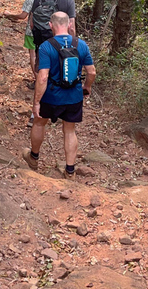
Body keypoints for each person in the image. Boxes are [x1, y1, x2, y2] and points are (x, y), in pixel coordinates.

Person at [22, 11, 96, 179]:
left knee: (39, 123)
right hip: (74, 96)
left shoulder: (47, 46)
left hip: (51, 96)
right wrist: (87, 87)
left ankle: (33, 159)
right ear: (69, 25)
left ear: (50, 26)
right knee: (70, 131)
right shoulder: (81, 44)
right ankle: (70, 171)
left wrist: (36, 102)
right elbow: (91, 72)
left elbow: (42, 77)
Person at [4, 0, 46, 91]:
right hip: (46, 32)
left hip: (32, 31)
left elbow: (23, 16)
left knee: (33, 55)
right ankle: (45, 79)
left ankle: (37, 79)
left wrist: (9, 15)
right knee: (43, 56)